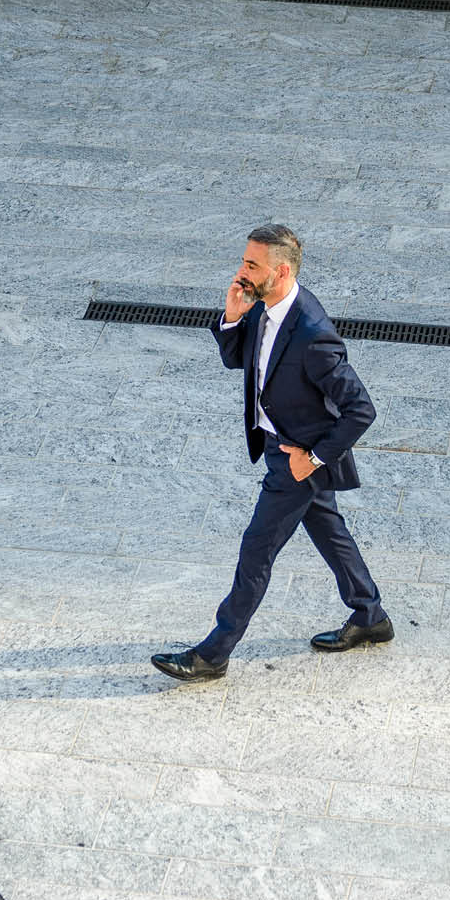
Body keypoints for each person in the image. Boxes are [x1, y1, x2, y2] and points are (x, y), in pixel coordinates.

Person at [151, 225, 392, 681]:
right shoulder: (265, 307)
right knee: (329, 531)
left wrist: (313, 459)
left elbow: (362, 409)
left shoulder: (312, 335)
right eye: (244, 261)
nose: (241, 271)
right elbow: (238, 359)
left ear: (280, 272)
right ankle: (370, 615)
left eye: (251, 265)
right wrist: (231, 317)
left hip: (298, 460)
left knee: (256, 551)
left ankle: (213, 654)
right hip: (280, 448)